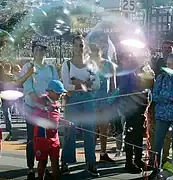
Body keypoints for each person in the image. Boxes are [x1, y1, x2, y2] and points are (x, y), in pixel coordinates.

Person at [60, 35, 100, 177]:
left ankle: (91, 162)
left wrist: (78, 82)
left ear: (85, 47)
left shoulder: (91, 65)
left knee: (89, 131)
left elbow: (97, 84)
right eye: (76, 45)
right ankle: (65, 161)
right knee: (70, 130)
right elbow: (65, 86)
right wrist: (83, 84)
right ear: (72, 47)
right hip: (74, 100)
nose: (78, 48)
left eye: (81, 45)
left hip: (88, 99)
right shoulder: (67, 64)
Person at [20, 41, 59, 180]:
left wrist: (50, 103)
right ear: (33, 51)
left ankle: (43, 166)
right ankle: (31, 168)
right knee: (32, 138)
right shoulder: (28, 67)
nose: (40, 51)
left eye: (42, 49)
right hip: (32, 109)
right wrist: (39, 102)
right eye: (37, 49)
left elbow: (55, 87)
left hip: (47, 110)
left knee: (47, 139)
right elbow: (28, 88)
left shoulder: (51, 68)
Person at [149, 53, 173, 179]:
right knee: (158, 143)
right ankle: (156, 168)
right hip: (162, 115)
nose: (168, 66)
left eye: (171, 63)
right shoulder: (161, 78)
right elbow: (155, 96)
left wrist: (166, 98)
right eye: (167, 63)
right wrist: (170, 99)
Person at [33, 80, 67, 180]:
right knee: (43, 161)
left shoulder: (57, 103)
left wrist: (64, 122)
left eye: (61, 93)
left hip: (54, 137)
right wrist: (45, 110)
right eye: (58, 93)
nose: (60, 95)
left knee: (55, 161)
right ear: (50, 91)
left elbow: (56, 118)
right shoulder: (42, 100)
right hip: (42, 136)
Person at [90, 45, 117, 163]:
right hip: (92, 100)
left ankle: (103, 153)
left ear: (100, 51)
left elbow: (113, 85)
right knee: (94, 128)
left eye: (96, 51)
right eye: (92, 52)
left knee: (104, 128)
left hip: (105, 100)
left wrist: (111, 100)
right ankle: (90, 153)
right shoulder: (88, 66)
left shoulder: (109, 65)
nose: (94, 54)